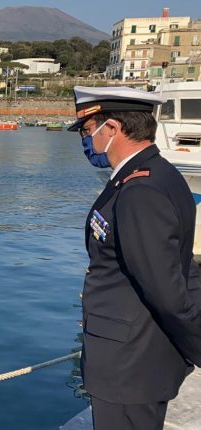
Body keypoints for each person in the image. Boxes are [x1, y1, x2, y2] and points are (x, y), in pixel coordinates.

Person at [69, 86, 201, 430]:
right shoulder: (159, 174)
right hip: (136, 358)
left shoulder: (140, 191)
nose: (86, 141)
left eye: (87, 130)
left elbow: (166, 288)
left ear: (111, 129)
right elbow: (184, 267)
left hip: (129, 366)